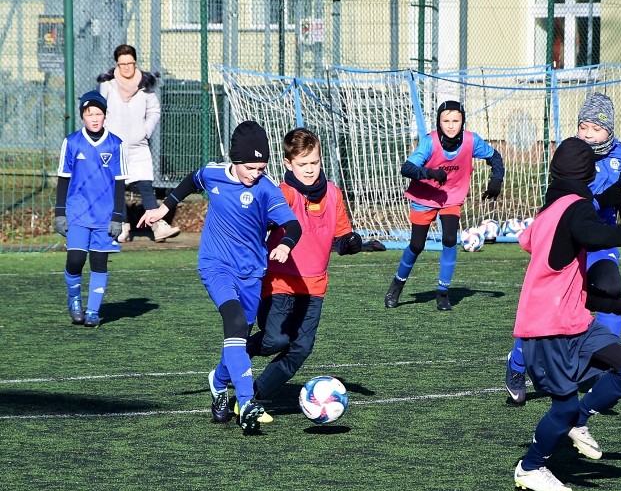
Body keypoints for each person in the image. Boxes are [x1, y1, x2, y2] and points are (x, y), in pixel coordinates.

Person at [512, 137, 621, 491]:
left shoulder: (551, 211)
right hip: (549, 329)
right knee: (562, 408)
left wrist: (620, 306)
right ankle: (530, 467)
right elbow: (592, 234)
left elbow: (567, 278)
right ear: (586, 173)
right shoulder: (574, 208)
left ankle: (579, 421)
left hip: (576, 322)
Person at [137, 121, 302, 432]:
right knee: (236, 323)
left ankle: (218, 382)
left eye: (262, 167)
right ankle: (247, 401)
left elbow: (293, 225)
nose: (257, 173)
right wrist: (163, 209)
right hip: (215, 266)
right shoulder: (213, 174)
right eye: (251, 167)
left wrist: (285, 244)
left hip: (252, 274)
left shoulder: (266, 189)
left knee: (237, 339)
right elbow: (191, 180)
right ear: (235, 161)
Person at [506, 92, 621, 407]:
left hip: (599, 240)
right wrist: (604, 199)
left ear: (610, 131)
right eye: (583, 126)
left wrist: (614, 196)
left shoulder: (620, 153)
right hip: (568, 241)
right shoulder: (570, 156)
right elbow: (575, 199)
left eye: (596, 128)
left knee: (611, 291)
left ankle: (604, 367)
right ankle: (517, 364)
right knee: (548, 309)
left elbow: (609, 176)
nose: (588, 134)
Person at [240, 127, 362, 423]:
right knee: (275, 342)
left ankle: (253, 397)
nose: (309, 170)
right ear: (287, 163)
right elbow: (256, 225)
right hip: (279, 281)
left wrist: (353, 242)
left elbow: (341, 237)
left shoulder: (333, 193)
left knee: (301, 348)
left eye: (314, 163)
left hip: (315, 286)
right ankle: (235, 353)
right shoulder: (283, 193)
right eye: (302, 164)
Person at [384, 100, 504, 311]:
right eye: (445, 120)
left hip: (451, 196)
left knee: (450, 239)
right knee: (417, 245)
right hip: (424, 197)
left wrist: (497, 179)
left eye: (455, 120)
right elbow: (406, 168)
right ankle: (397, 284)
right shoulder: (429, 142)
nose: (450, 125)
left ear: (462, 121)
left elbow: (495, 156)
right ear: (439, 122)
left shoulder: (470, 140)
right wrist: (429, 173)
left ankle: (442, 292)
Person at [54, 91, 128, 328]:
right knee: (75, 260)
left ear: (105, 116)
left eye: (98, 113)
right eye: (89, 114)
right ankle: (74, 300)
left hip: (105, 216)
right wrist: (59, 212)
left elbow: (120, 182)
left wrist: (118, 216)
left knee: (99, 262)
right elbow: (63, 179)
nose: (94, 118)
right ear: (82, 117)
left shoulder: (116, 143)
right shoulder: (72, 142)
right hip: (77, 213)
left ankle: (93, 311)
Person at [98, 44, 180, 243]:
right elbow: (99, 109)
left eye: (130, 63)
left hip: (139, 147)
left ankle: (158, 226)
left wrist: (146, 131)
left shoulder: (145, 86)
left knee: (145, 186)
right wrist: (105, 135)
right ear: (117, 64)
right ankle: (122, 226)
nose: (127, 67)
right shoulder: (108, 85)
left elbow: (154, 111)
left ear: (135, 62)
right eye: (122, 63)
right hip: (114, 146)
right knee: (116, 186)